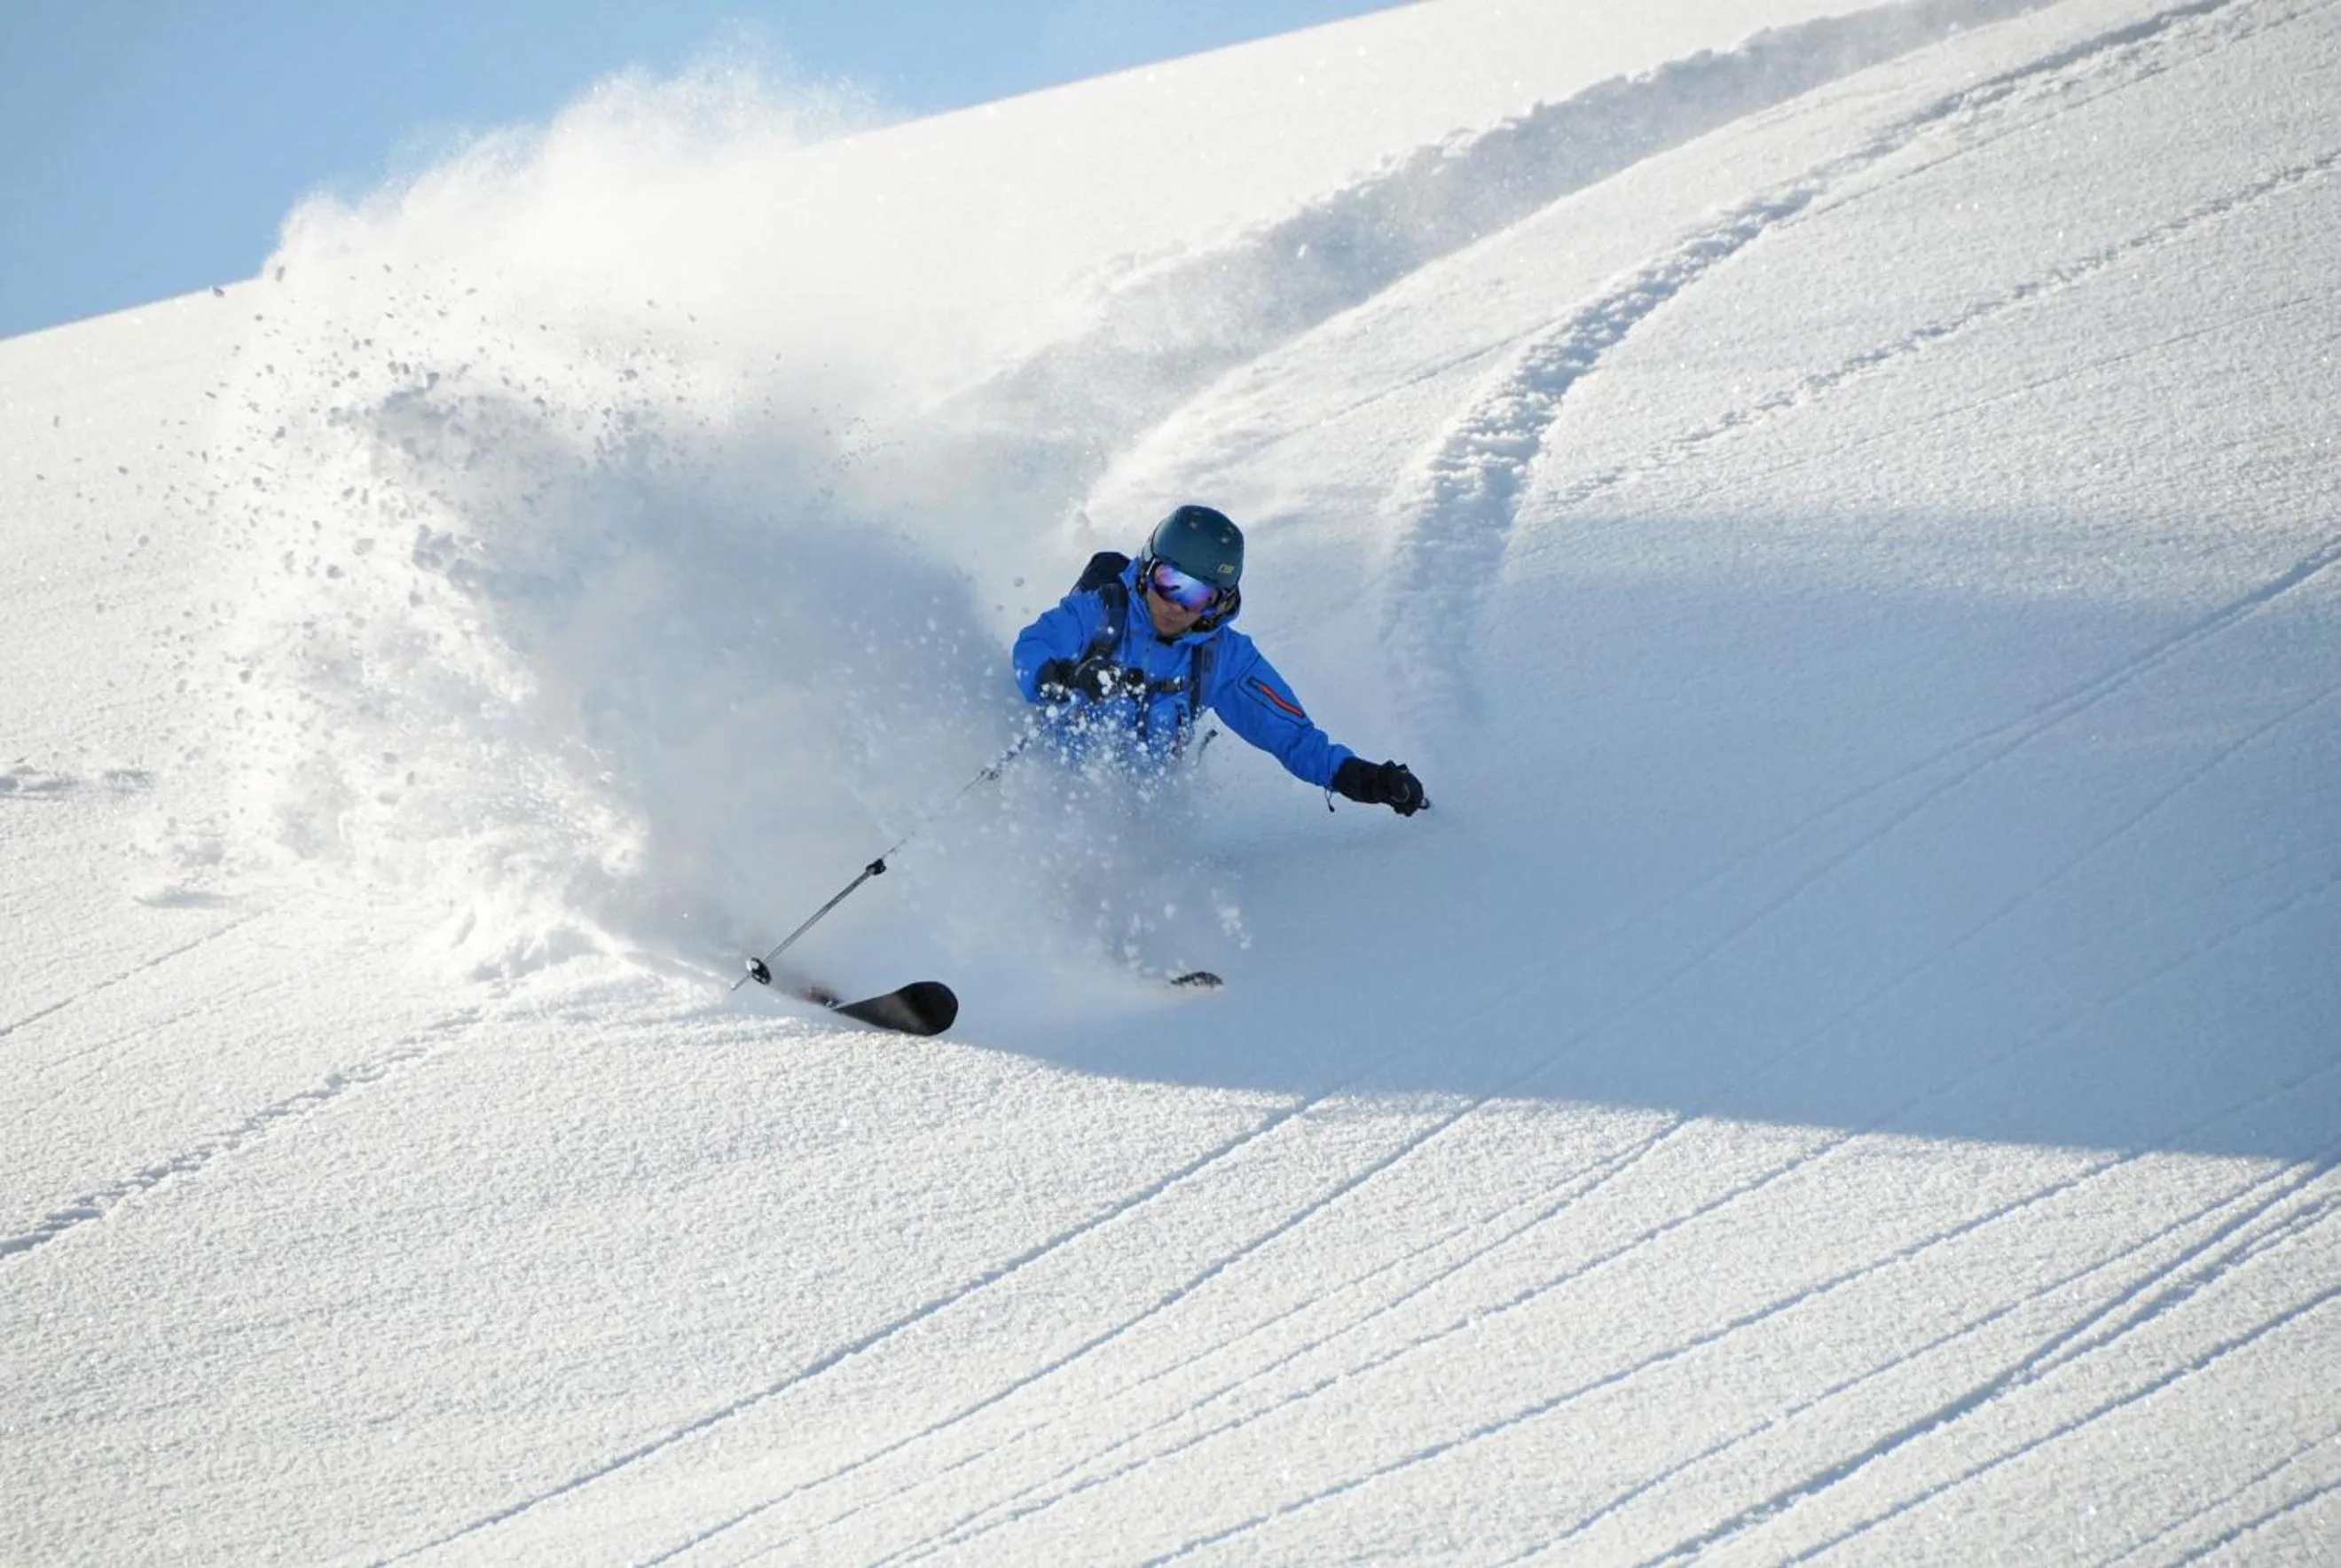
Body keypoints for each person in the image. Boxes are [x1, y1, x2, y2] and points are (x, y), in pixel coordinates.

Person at [1010, 504, 1428, 816]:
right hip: (1040, 787)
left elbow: (1293, 737)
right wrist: (1060, 678)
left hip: (1126, 820)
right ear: (1146, 570)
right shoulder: (1100, 612)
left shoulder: (1223, 659)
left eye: (1198, 595)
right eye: (1169, 581)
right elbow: (1033, 646)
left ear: (1219, 602)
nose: (1176, 605)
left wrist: (1368, 780)